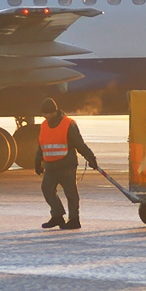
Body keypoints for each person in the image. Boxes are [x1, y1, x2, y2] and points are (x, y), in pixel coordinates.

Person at [35, 98, 97, 230]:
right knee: (47, 190)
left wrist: (90, 157)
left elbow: (79, 144)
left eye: (49, 113)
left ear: (55, 111)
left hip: (66, 165)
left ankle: (74, 219)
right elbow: (41, 144)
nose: (47, 116)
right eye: (44, 114)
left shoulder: (68, 124)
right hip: (50, 166)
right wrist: (37, 160)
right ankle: (57, 215)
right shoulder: (44, 125)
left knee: (71, 193)